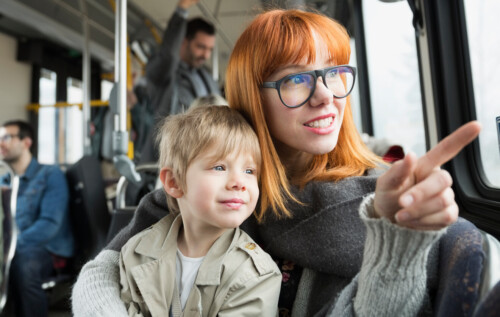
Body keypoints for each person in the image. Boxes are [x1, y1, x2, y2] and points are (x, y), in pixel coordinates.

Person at [72, 9, 482, 317]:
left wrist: (398, 239)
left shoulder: (383, 199)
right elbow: (102, 272)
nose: (326, 96)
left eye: (335, 72)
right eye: (296, 79)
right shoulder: (206, 191)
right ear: (254, 96)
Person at [119, 106, 281, 316]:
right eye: (219, 167)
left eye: (249, 171)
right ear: (174, 182)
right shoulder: (136, 253)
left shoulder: (256, 276)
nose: (239, 183)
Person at [0, 120, 74, 317]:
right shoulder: (4, 181)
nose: (1, 143)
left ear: (26, 142)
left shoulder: (50, 174)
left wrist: (11, 247)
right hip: (12, 246)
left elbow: (50, 224)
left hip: (46, 248)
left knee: (23, 265)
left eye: (7, 137)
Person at [146, 0, 221, 117]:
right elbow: (169, 56)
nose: (206, 55)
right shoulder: (165, 75)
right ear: (184, 41)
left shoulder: (206, 78)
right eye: (201, 47)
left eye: (210, 49)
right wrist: (182, 9)